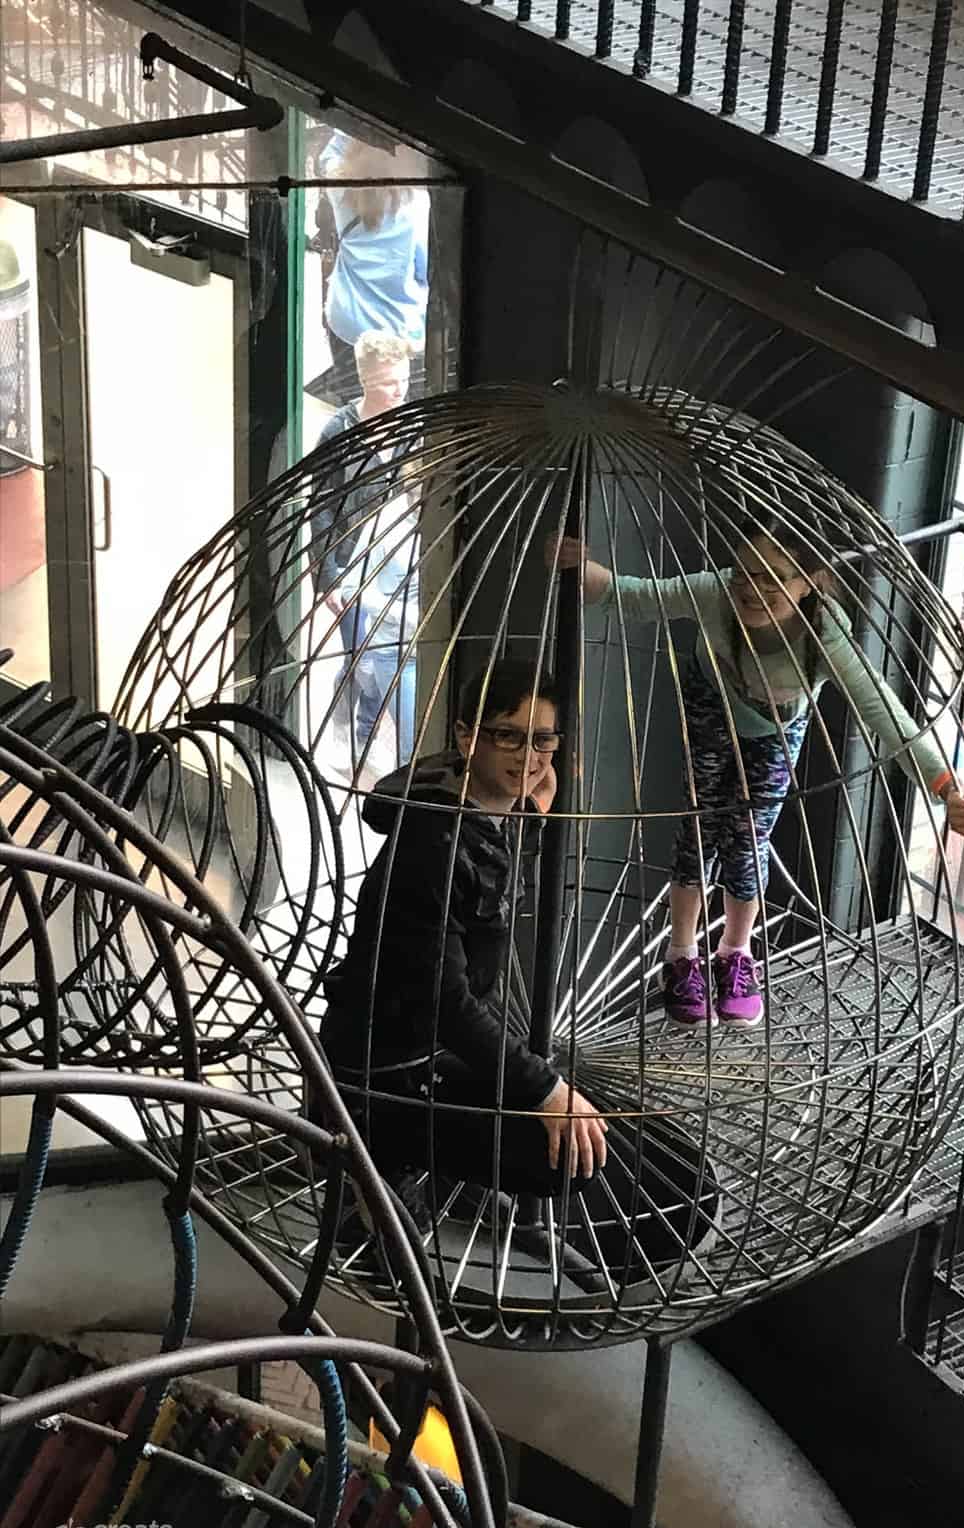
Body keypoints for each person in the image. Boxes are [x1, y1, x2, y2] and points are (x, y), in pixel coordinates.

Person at [550, 518, 964, 1028]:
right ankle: (682, 955)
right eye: (746, 573)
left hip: (777, 729)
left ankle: (736, 953)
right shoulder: (715, 592)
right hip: (713, 707)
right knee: (698, 827)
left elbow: (883, 710)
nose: (754, 589)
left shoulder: (824, 633)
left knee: (748, 836)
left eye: (774, 578)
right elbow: (640, 597)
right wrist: (579, 568)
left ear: (809, 582)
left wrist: (944, 787)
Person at [319, 658, 611, 1194]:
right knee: (566, 1153)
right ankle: (385, 1168)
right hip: (385, 1080)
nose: (528, 757)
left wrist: (532, 817)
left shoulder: (484, 819)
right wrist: (544, 1089)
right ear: (465, 735)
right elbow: (443, 1000)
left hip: (428, 1053)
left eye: (543, 741)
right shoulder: (432, 843)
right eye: (508, 737)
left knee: (591, 1120)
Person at [310, 330, 419, 780]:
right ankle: (351, 731)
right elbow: (321, 507)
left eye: (404, 380)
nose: (400, 391)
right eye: (390, 383)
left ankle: (366, 734)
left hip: (398, 563)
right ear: (365, 381)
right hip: (354, 565)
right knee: (362, 660)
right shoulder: (339, 431)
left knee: (393, 658)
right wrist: (329, 578)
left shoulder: (412, 424)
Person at [317, 133, 429, 406]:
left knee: (356, 404)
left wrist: (358, 127)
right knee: (395, 410)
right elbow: (425, 272)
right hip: (396, 332)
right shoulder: (417, 203)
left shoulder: (342, 190)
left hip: (347, 323)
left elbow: (327, 156)